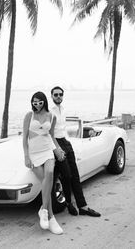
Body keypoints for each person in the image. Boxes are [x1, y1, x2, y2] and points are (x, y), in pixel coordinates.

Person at [51, 86, 101, 217]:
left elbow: (63, 128)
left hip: (66, 142)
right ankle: (68, 203)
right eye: (55, 95)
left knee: (75, 175)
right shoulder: (50, 112)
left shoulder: (63, 110)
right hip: (56, 143)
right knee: (66, 176)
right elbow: (49, 133)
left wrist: (68, 142)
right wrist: (57, 149)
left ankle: (83, 206)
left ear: (63, 96)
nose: (58, 97)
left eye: (60, 94)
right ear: (51, 96)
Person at [23, 91, 65, 235]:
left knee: (50, 173)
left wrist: (58, 149)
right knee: (47, 183)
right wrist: (26, 156)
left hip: (47, 150)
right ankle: (51, 217)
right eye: (35, 102)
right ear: (32, 102)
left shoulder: (51, 116)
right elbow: (24, 138)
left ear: (44, 102)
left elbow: (51, 136)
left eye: (40, 102)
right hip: (34, 153)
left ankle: (44, 210)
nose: (37, 104)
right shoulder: (29, 115)